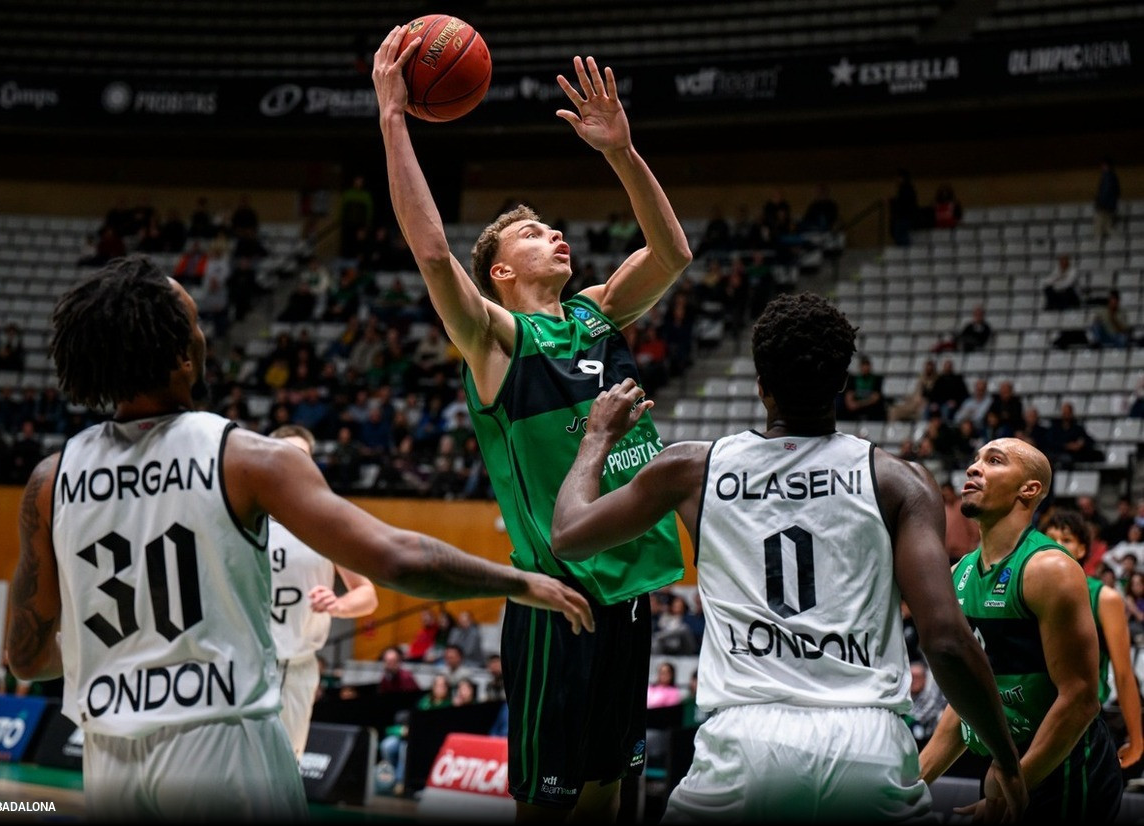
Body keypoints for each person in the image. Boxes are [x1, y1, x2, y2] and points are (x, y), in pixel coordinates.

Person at [5, 257, 593, 822]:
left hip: (108, 758)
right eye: (196, 324)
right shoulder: (247, 457)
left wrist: (123, 668)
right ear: (181, 358)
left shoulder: (50, 480)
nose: (204, 334)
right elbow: (394, 556)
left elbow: (27, 657)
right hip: (224, 745)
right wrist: (519, 581)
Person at [549, 292, 1025, 822]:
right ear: (842, 383)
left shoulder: (690, 468)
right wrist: (1006, 759)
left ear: (761, 384)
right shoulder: (900, 480)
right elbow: (945, 641)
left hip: (741, 741)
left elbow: (568, 534)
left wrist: (595, 438)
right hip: (867, 744)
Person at [374, 32, 689, 822]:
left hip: (631, 596)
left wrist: (620, 151)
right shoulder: (495, 342)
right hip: (559, 602)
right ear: (501, 274)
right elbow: (433, 256)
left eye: (551, 226)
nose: (553, 233)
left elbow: (672, 251)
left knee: (611, 794)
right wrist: (392, 119)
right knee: (549, 805)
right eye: (528, 233)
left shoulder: (594, 314)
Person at [919, 438, 1122, 824]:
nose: (973, 468)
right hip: (1009, 769)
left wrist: (1014, 784)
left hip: (1065, 770)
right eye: (975, 459)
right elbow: (967, 702)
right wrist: (911, 784)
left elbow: (1080, 699)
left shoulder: (1050, 570)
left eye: (994, 461)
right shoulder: (960, 572)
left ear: (1028, 490)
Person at [267, 424, 379, 760]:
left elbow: (367, 594)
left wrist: (340, 605)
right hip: (242, 661)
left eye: (302, 455)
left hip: (294, 664)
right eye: (285, 453)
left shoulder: (327, 521)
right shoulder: (243, 513)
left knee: (282, 772)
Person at [1042, 508, 1143, 771]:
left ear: (1082, 549)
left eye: (1066, 539)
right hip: (1027, 721)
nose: (1056, 545)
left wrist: (1137, 739)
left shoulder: (1103, 598)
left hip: (1079, 726)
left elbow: (1123, 674)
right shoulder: (1019, 592)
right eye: (1049, 538)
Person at [1094, 157, 1120, 241]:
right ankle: (1118, 241)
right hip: (1110, 207)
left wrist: (1100, 203)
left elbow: (1106, 192)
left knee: (1099, 227)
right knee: (1108, 227)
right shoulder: (1113, 177)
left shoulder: (1108, 177)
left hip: (1104, 207)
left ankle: (1098, 245)